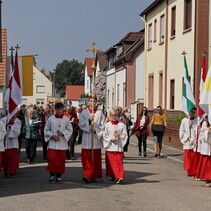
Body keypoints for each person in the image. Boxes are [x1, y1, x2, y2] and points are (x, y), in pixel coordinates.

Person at [78, 94, 105, 183]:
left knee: (95, 158)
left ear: (96, 102)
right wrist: (89, 121)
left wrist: (96, 130)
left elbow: (102, 125)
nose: (92, 103)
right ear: (88, 101)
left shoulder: (100, 113)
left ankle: (93, 175)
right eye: (90, 101)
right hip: (87, 137)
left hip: (95, 138)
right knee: (87, 157)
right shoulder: (84, 112)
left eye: (94, 101)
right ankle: (87, 174)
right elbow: (81, 124)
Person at [44, 102, 73, 184]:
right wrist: (52, 135)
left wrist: (63, 133)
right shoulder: (51, 119)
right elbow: (46, 130)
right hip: (53, 143)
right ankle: (52, 175)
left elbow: (70, 130)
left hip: (62, 144)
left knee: (60, 161)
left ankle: (59, 176)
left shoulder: (66, 119)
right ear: (55, 109)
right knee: (52, 160)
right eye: (57, 109)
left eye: (61, 109)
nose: (59, 111)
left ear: (63, 109)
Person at [103, 108, 128, 184]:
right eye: (113, 115)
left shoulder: (122, 125)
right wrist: (110, 139)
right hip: (110, 147)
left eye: (116, 115)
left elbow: (125, 135)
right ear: (110, 116)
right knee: (111, 163)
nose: (114, 117)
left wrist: (120, 137)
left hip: (118, 147)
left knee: (119, 163)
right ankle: (113, 176)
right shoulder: (107, 125)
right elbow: (105, 135)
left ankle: (120, 176)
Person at [179, 108, 197, 174]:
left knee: (194, 156)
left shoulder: (197, 120)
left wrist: (192, 127)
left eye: (194, 112)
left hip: (194, 141)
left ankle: (194, 170)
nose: (192, 113)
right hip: (187, 141)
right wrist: (186, 137)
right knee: (188, 156)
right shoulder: (184, 120)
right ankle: (189, 170)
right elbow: (181, 130)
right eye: (191, 112)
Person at [195, 115, 211, 187]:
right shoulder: (205, 124)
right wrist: (208, 131)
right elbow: (202, 137)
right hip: (207, 148)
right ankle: (208, 180)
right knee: (207, 164)